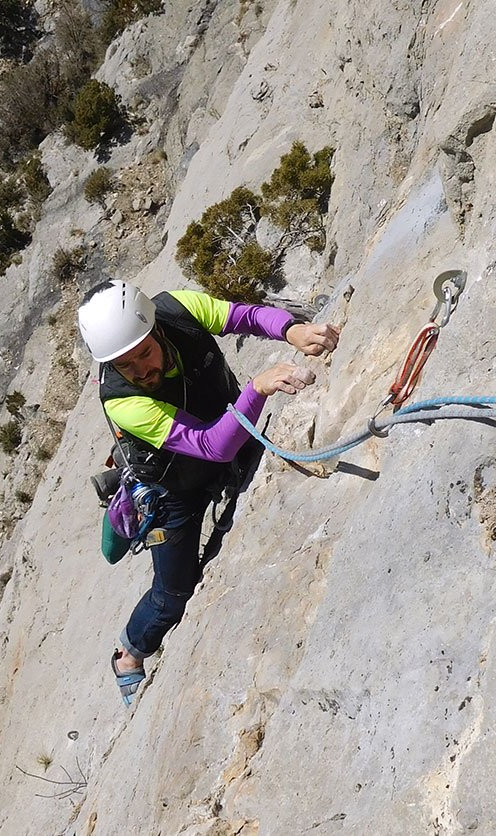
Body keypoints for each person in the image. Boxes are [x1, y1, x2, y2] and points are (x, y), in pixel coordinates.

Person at [76, 280, 340, 706]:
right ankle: (130, 654)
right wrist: (258, 389)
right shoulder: (122, 401)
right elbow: (212, 445)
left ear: (155, 328)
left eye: (144, 352)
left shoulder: (176, 309)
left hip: (233, 431)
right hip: (174, 490)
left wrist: (291, 330)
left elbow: (244, 317)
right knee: (173, 594)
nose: (141, 370)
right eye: (126, 365)